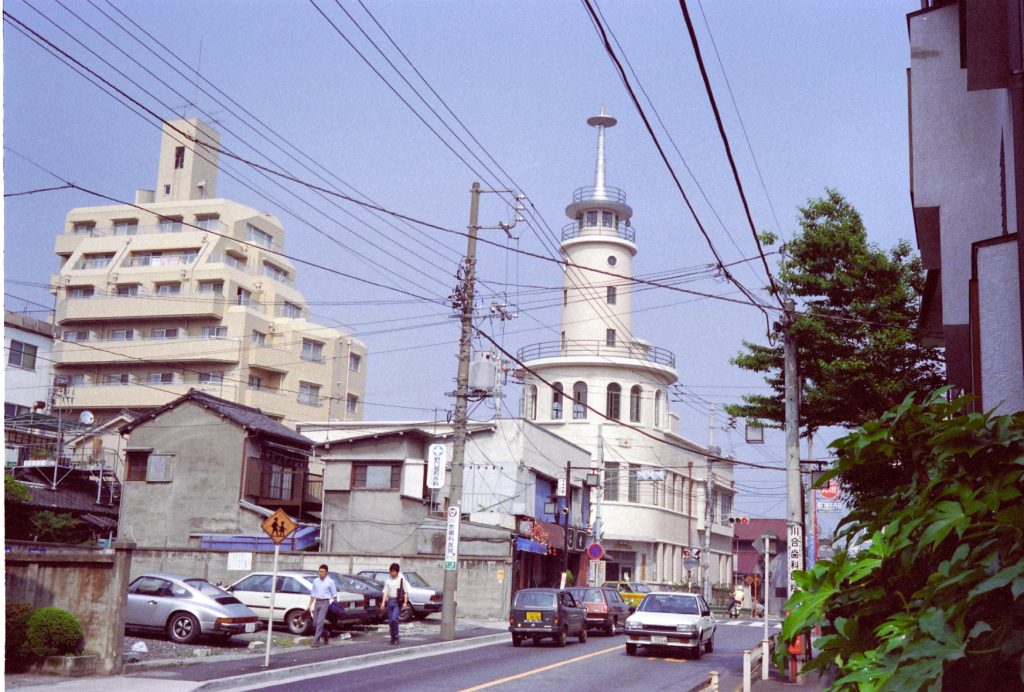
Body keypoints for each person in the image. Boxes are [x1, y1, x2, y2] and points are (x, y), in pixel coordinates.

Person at [306, 564, 337, 647]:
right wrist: (309, 605)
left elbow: (334, 595)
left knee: (320, 623)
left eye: (323, 572)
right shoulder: (315, 581)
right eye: (320, 571)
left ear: (326, 573)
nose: (321, 573)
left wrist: (335, 606)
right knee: (315, 623)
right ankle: (326, 633)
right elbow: (313, 594)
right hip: (317, 602)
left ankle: (315, 642)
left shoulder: (330, 582)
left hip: (325, 603)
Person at [381, 562, 410, 645]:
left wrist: (405, 602)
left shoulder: (401, 580)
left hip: (397, 602)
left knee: (394, 619)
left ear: (397, 572)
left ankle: (396, 637)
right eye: (391, 571)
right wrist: (383, 603)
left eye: (393, 571)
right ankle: (392, 637)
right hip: (390, 601)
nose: (392, 573)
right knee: (390, 621)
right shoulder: (387, 581)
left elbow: (406, 592)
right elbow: (385, 592)